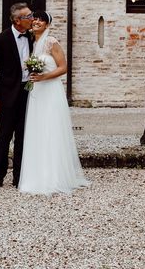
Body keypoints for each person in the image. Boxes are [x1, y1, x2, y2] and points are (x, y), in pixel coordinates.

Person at [18, 11, 90, 195]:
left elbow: (63, 67)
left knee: (51, 129)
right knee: (38, 130)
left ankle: (55, 176)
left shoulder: (52, 42)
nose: (37, 21)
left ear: (47, 25)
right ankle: (36, 175)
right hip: (37, 93)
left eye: (42, 20)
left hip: (50, 90)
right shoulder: (32, 43)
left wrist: (43, 77)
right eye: (35, 19)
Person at [0, 2, 34, 191]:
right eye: (28, 16)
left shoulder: (33, 37)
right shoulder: (1, 40)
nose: (32, 18)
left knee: (22, 137)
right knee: (4, 136)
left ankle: (19, 176)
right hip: (6, 94)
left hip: (28, 93)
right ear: (17, 20)